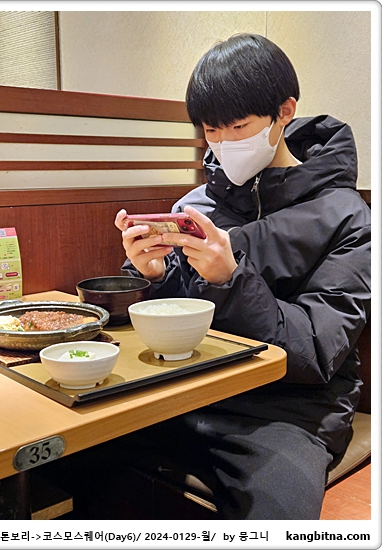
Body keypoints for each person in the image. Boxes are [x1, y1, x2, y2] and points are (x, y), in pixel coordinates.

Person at [113, 33, 371, 520]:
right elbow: (164, 323)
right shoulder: (196, 206)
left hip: (288, 412)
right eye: (212, 130)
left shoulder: (347, 217)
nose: (225, 143)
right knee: (70, 458)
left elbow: (318, 351)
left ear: (284, 112)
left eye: (238, 127)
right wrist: (148, 276)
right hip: (185, 391)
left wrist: (231, 279)